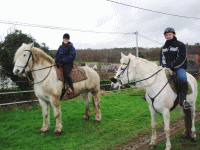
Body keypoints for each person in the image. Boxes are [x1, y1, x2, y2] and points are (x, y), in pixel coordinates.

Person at [160, 27, 191, 109]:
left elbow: (182, 58)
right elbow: (162, 59)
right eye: (166, 35)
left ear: (173, 34)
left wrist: (172, 66)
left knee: (182, 77)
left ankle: (184, 99)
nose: (168, 36)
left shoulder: (180, 45)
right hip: (167, 68)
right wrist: (164, 67)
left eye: (169, 34)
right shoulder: (164, 47)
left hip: (179, 67)